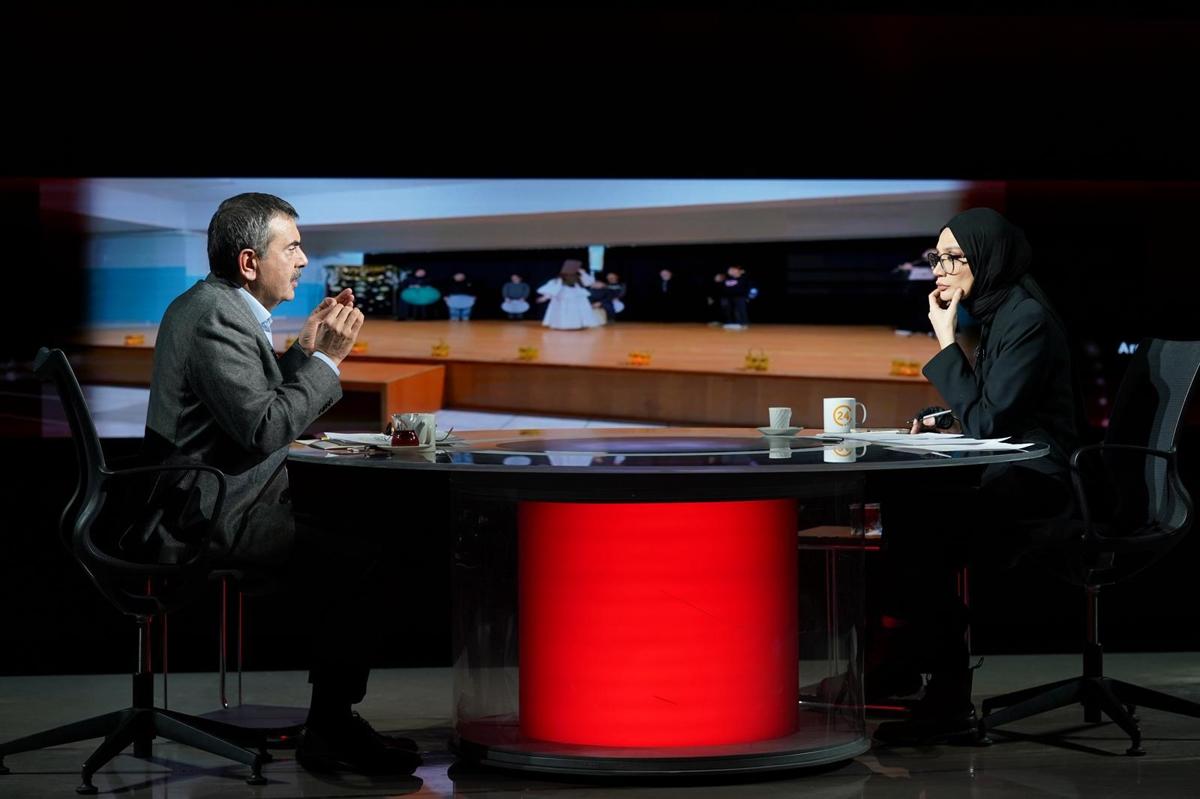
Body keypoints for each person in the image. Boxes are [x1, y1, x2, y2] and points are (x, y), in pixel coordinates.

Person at [142, 193, 421, 776]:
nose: (303, 259)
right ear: (250, 262)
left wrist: (304, 351)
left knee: (356, 546)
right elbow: (265, 427)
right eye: (291, 247)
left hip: (223, 499)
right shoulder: (217, 316)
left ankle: (331, 724)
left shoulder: (216, 305)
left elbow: (251, 409)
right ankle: (332, 728)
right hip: (211, 515)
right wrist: (328, 363)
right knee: (365, 563)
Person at [870, 207, 1080, 746]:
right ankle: (900, 668)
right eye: (936, 257)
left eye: (952, 258)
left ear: (987, 258)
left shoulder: (1026, 318)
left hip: (1039, 483)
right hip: (1013, 470)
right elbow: (996, 405)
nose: (940, 269)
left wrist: (945, 339)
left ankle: (945, 694)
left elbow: (990, 421)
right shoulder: (1002, 310)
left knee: (920, 533)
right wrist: (945, 418)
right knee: (905, 509)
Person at [536, 258, 601, 330]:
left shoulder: (578, 278)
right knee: (563, 311)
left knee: (576, 311)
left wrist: (583, 273)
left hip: (577, 297)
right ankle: (563, 325)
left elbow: (589, 282)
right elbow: (553, 289)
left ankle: (577, 324)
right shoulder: (558, 280)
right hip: (563, 297)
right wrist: (545, 297)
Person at [720, 265, 753, 329]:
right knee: (728, 310)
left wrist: (748, 297)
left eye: (733, 270)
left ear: (738, 271)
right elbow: (723, 286)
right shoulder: (727, 278)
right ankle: (730, 322)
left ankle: (744, 323)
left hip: (740, 296)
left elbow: (748, 287)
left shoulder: (743, 278)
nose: (731, 271)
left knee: (741, 309)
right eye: (730, 270)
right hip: (728, 297)